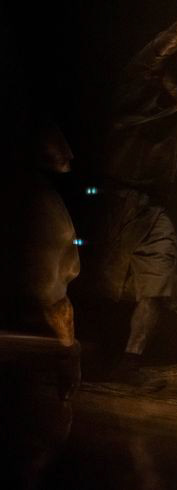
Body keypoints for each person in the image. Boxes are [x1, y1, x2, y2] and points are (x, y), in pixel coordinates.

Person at [94, 0, 177, 386]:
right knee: (99, 283)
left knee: (160, 279)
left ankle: (130, 363)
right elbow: (171, 38)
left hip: (152, 208)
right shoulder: (137, 87)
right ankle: (89, 354)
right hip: (111, 199)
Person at [1, 120, 82, 400]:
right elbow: (49, 292)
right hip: (28, 353)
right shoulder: (38, 204)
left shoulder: (32, 198)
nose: (68, 152)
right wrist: (68, 353)